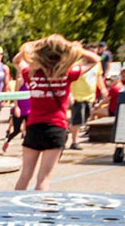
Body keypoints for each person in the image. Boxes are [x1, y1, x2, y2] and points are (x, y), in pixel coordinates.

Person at [13, 35, 101, 190]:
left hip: (33, 126)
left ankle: (13, 209)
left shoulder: (32, 74)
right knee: (44, 178)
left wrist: (34, 45)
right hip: (56, 127)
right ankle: (38, 211)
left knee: (25, 175)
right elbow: (95, 60)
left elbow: (17, 60)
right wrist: (73, 48)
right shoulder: (66, 74)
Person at [67, 58, 102, 150]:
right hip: (78, 96)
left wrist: (103, 89)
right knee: (77, 120)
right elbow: (69, 78)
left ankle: (67, 133)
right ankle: (74, 141)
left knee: (85, 119)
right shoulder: (76, 64)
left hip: (90, 96)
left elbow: (98, 77)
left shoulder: (97, 64)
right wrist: (69, 94)